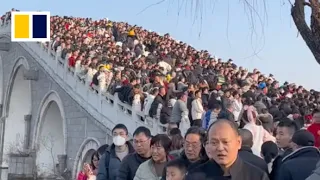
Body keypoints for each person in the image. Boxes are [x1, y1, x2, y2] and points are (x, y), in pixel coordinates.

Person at [186, 119, 269, 180]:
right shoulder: (195, 176)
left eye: (225, 142)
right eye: (214, 143)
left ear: (238, 142)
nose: (220, 148)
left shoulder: (257, 176)